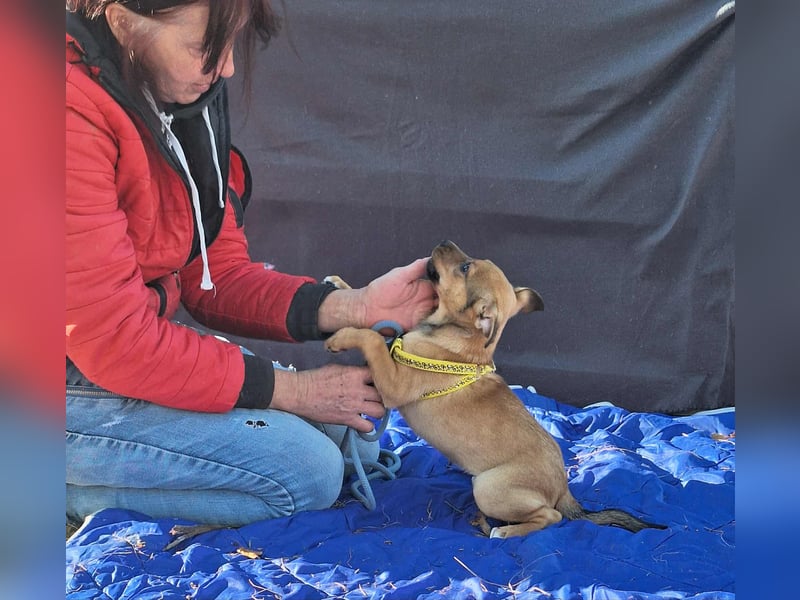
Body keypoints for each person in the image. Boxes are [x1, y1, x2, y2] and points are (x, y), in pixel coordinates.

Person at [65, 0, 436, 528]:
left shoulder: (166, 90)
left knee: (353, 439)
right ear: (122, 20)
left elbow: (213, 276)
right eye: (204, 48)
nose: (228, 68)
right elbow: (115, 340)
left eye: (231, 43)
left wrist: (358, 306)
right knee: (306, 473)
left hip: (105, 354)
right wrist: (294, 392)